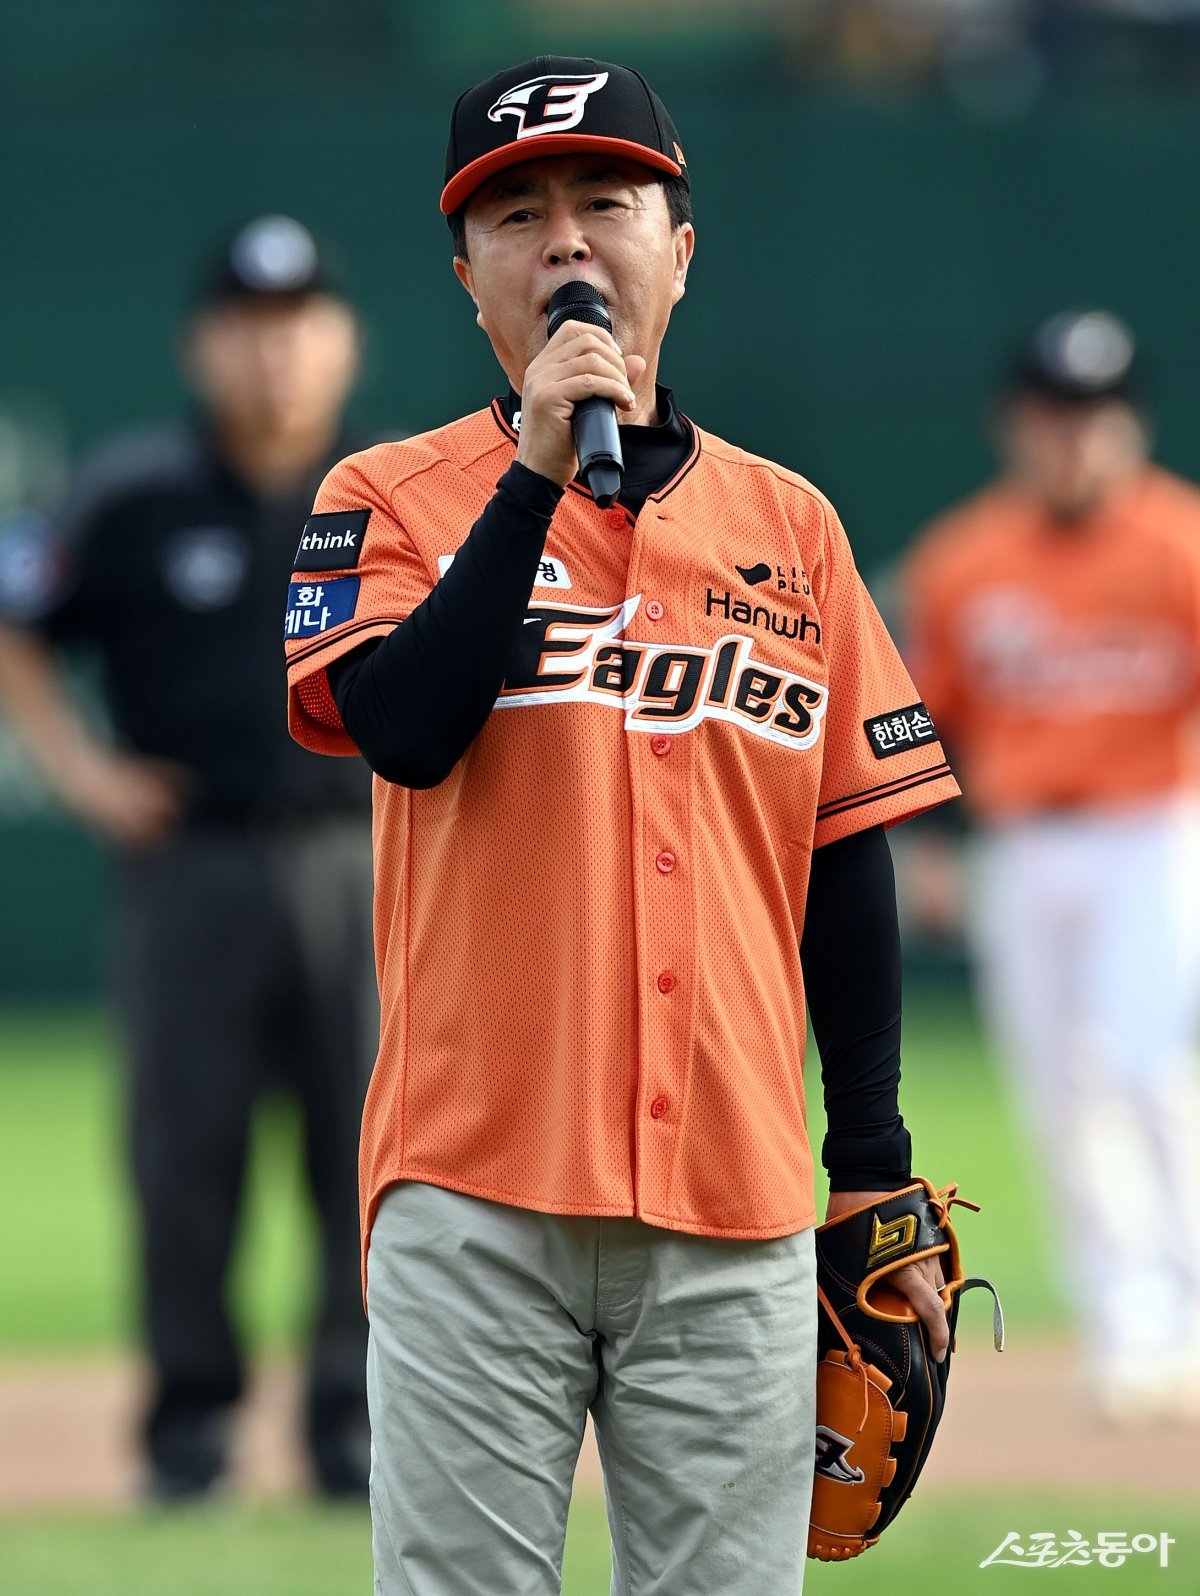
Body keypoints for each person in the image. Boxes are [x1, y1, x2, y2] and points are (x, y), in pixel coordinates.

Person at [285, 58, 961, 1594]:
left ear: (681, 249)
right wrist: (532, 477)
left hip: (734, 1193)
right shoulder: (385, 496)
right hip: (475, 1188)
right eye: (517, 217)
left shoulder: (793, 526)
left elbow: (845, 848)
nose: (568, 244)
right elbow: (403, 730)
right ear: (469, 281)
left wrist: (872, 1156)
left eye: (606, 203)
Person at [0, 214, 379, 1499]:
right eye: (247, 328)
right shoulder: (133, 493)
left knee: (368, 1160)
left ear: (343, 343)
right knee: (184, 1161)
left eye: (299, 326)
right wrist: (86, 774)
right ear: (199, 346)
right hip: (192, 867)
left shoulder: (394, 491)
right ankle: (188, 1437)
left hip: (359, 859)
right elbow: (20, 622)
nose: (275, 354)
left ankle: (352, 1430)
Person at [900, 310, 1200, 1423]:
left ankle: (1178, 1312)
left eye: (1097, 412)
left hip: (1150, 834)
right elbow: (925, 723)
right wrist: (929, 843)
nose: (1076, 435)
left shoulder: (1180, 543)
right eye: (1056, 413)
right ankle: (1124, 1322)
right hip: (1023, 849)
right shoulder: (965, 559)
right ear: (1015, 424)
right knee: (1057, 1085)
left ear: (1131, 422)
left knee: (1138, 1066)